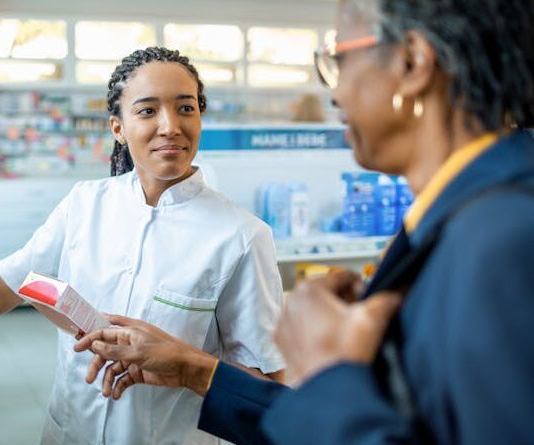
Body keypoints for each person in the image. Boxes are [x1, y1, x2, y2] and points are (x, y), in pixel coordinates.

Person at [75, 0, 534, 444]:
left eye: (338, 60)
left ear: (412, 62)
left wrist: (331, 374)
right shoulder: (460, 220)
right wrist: (192, 369)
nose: (333, 94)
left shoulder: (505, 241)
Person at [0, 47, 285, 444]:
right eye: (148, 110)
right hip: (68, 431)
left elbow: (265, 393)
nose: (170, 126)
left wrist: (180, 363)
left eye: (185, 108)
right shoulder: (85, 203)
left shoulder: (241, 237)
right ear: (118, 127)